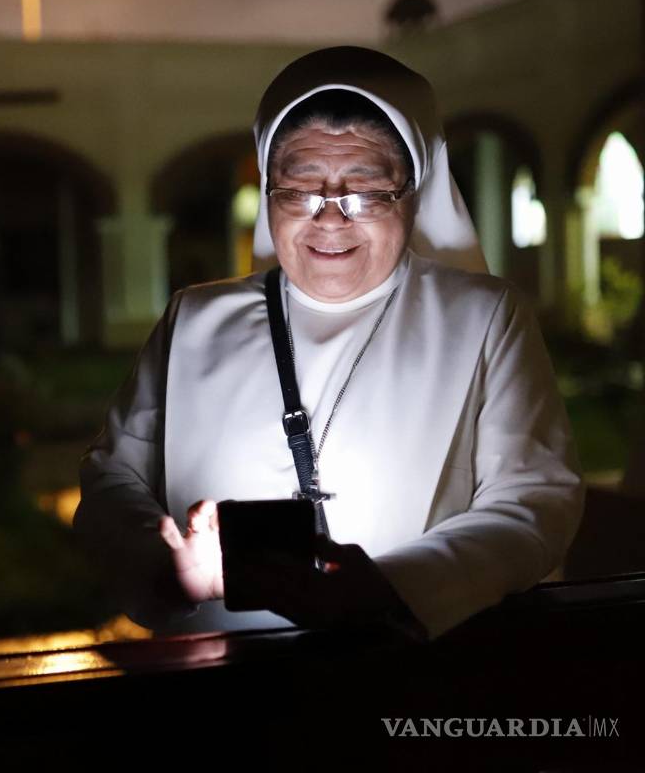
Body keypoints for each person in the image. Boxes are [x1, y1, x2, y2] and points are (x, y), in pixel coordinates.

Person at [72, 46, 585, 643]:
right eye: (299, 190)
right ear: (268, 193)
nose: (330, 219)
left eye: (366, 192)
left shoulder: (486, 318)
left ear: (414, 192)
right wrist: (163, 566)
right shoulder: (194, 320)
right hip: (218, 678)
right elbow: (113, 476)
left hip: (402, 665)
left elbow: (535, 499)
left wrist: (394, 585)